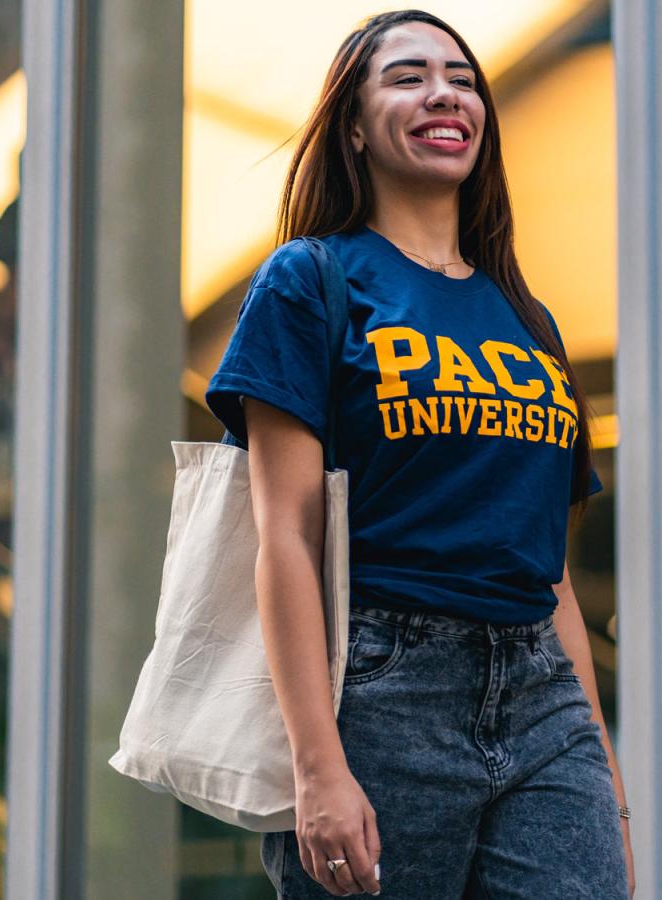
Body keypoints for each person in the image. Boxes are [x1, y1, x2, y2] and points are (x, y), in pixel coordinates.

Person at [202, 10, 633, 898]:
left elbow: (549, 581)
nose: (444, 93)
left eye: (462, 78)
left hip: (543, 696)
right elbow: (286, 535)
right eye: (407, 77)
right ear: (354, 126)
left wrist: (609, 791)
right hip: (382, 690)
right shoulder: (311, 278)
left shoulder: (529, 319)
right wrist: (318, 768)